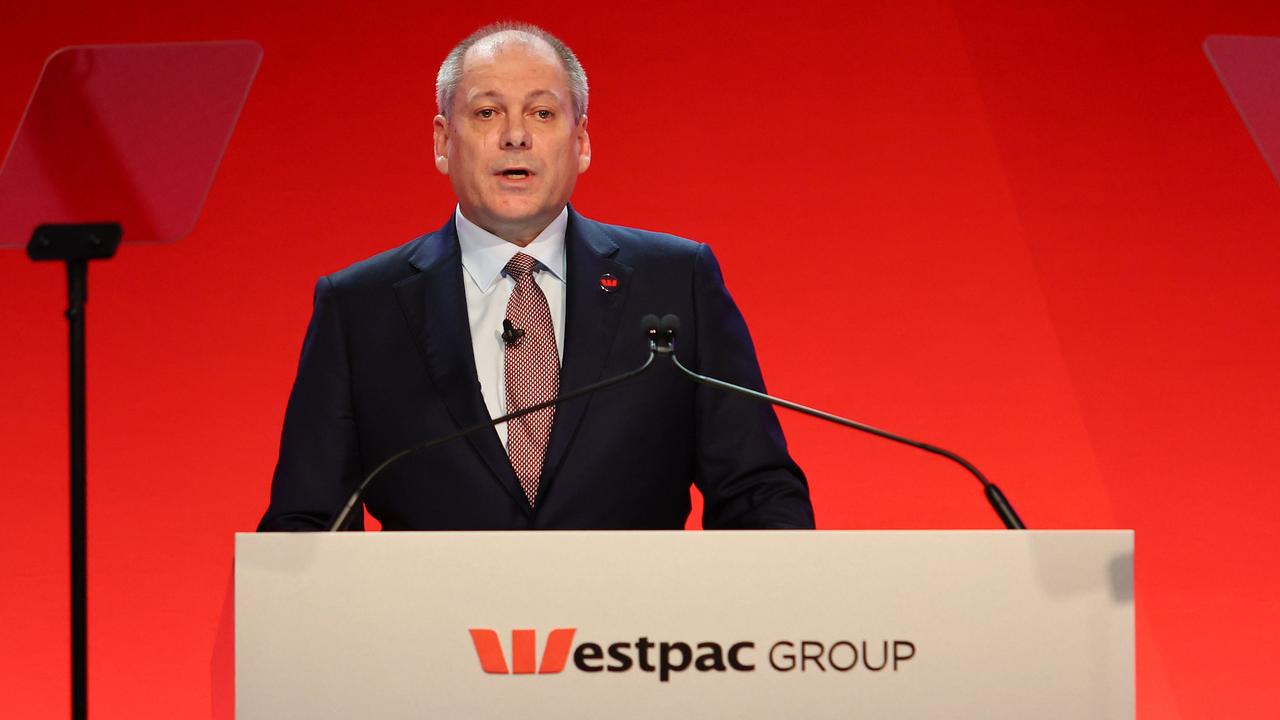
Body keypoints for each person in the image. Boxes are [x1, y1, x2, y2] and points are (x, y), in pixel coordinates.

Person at [257, 22, 814, 531]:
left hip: (631, 634)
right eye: (486, 113)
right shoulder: (360, 308)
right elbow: (307, 522)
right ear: (442, 142)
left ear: (582, 142)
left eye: (543, 113)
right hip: (435, 634)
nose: (515, 136)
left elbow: (758, 493)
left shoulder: (676, 282)